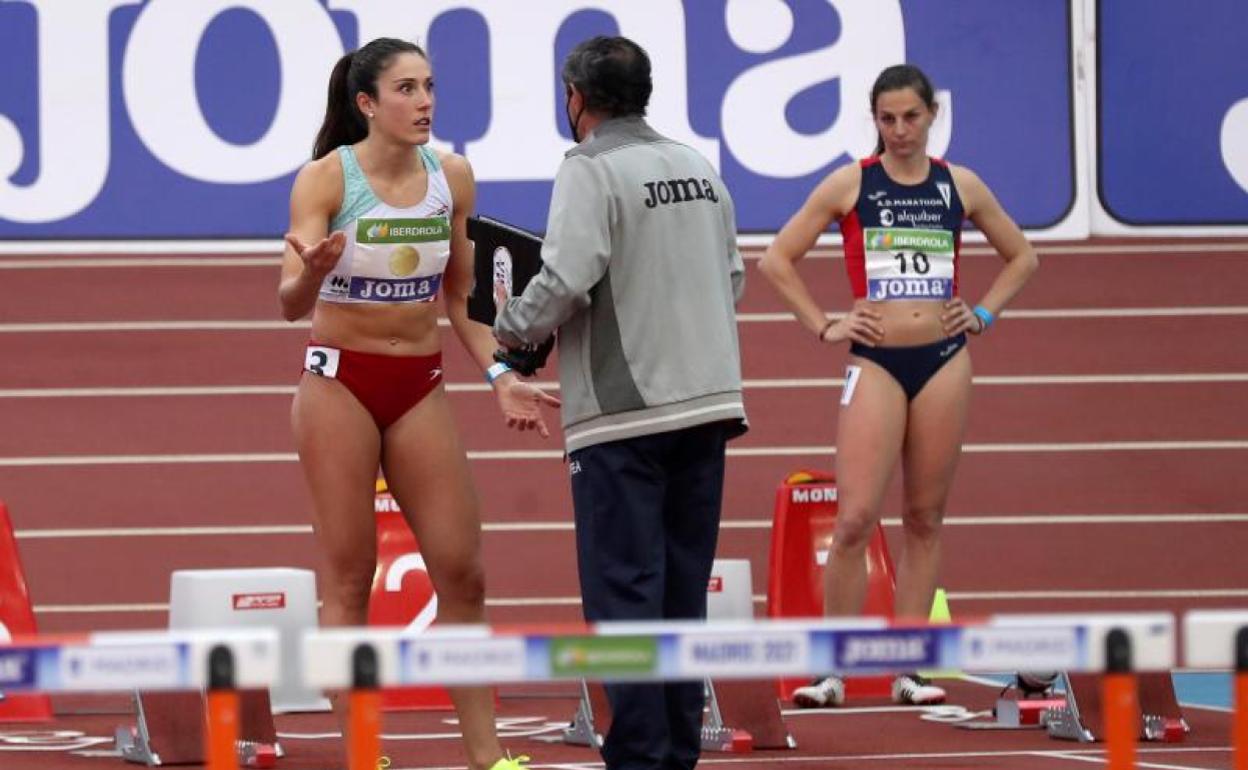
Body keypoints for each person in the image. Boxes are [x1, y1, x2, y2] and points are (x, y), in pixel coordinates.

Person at [278, 37, 556, 770]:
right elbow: (287, 302)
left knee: (464, 572)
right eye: (406, 89)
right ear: (367, 103)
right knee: (349, 575)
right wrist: (314, 274)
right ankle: (364, 755)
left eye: (430, 86)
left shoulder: (452, 177)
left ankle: (488, 756)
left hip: (419, 386)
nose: (425, 101)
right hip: (339, 383)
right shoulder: (325, 180)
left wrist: (501, 374)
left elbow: (460, 296)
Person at [493, 35, 747, 770]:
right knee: (680, 594)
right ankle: (674, 753)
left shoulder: (589, 167)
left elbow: (567, 275)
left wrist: (511, 326)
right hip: (707, 403)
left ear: (575, 96)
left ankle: (640, 759)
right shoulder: (698, 166)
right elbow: (731, 277)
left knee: (624, 602)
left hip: (624, 417)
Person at [759, 64, 1039, 708]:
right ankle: (832, 669)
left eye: (910, 117)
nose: (899, 129)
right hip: (876, 362)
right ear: (874, 120)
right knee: (855, 518)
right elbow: (776, 258)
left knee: (924, 517)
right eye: (886, 118)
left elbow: (1022, 256)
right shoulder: (852, 182)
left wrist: (985, 313)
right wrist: (824, 323)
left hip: (944, 360)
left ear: (931, 115)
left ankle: (910, 668)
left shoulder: (957, 185)